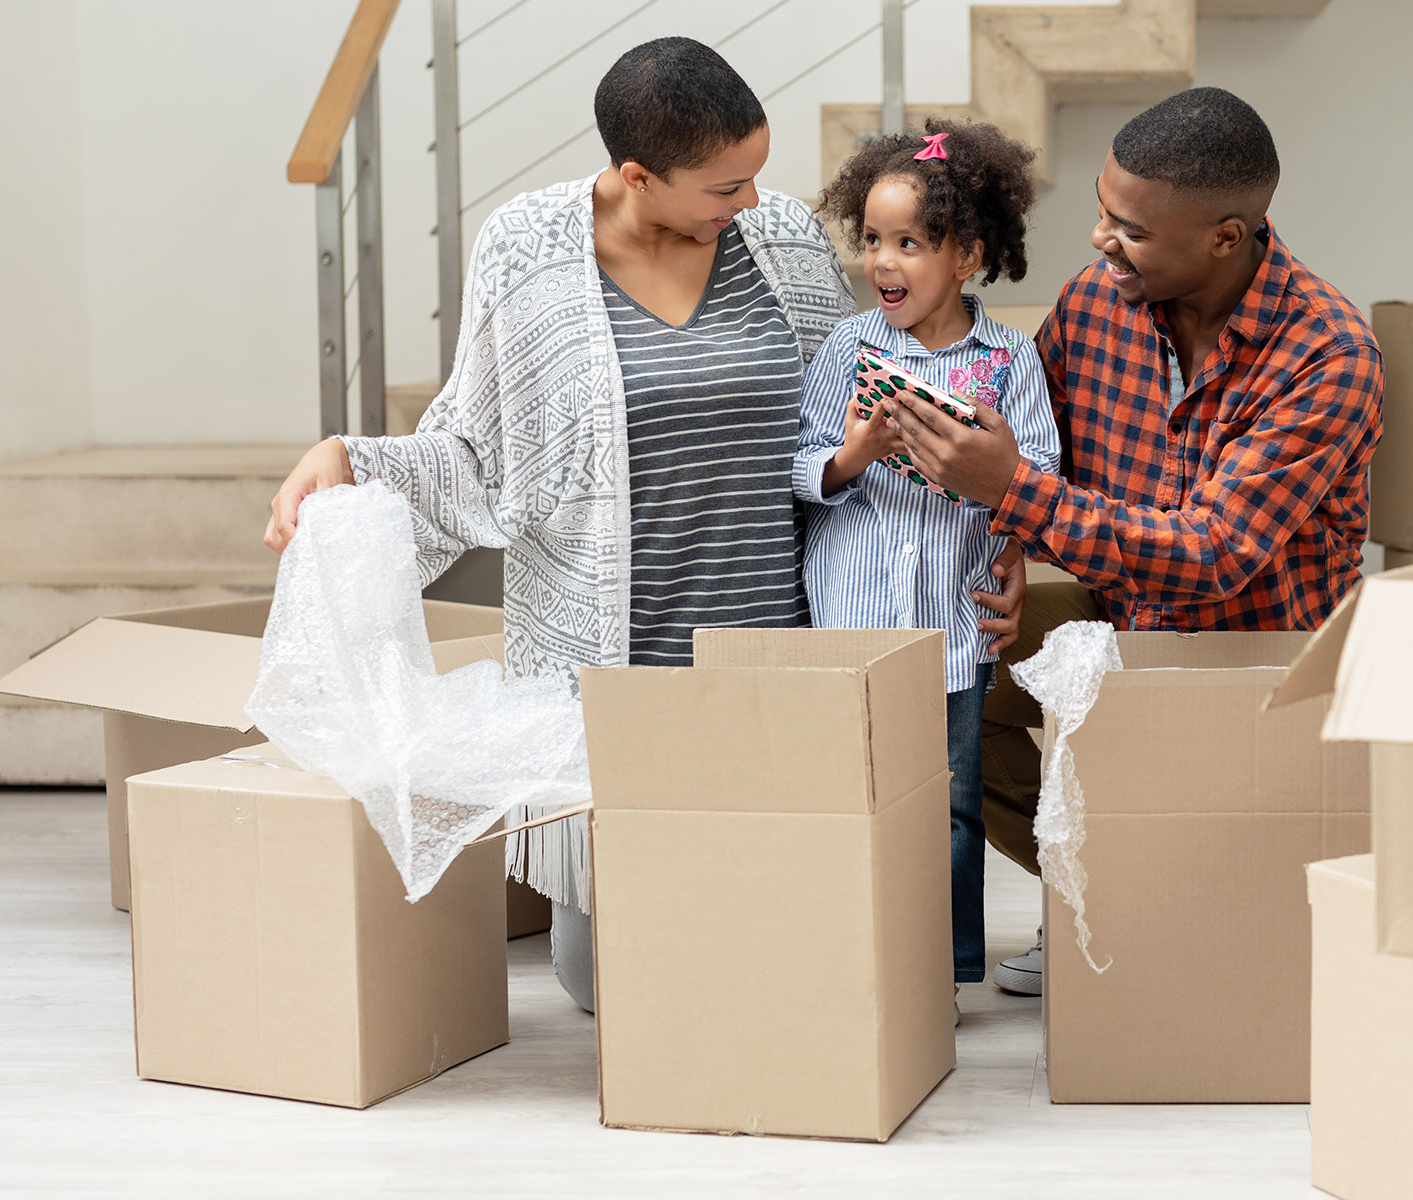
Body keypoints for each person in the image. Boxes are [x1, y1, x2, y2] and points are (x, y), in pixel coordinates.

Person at [260, 39, 1025, 1012]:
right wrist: (354, 460)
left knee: (791, 970)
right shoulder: (527, 251)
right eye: (724, 186)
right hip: (618, 685)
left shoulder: (783, 241)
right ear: (636, 176)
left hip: (782, 663)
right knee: (606, 984)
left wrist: (997, 545)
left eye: (754, 175)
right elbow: (475, 451)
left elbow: (870, 421)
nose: (751, 202)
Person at [877, 87, 1385, 995]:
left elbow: (1214, 555)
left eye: (1133, 231)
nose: (1103, 243)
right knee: (951, 667)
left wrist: (1009, 490)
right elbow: (1043, 453)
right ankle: (1108, 887)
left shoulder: (1329, 355)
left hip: (1254, 668)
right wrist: (1008, 548)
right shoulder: (1095, 304)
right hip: (1122, 620)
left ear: (1226, 237)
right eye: (1103, 214)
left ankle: (1183, 897)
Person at [796, 121, 1060, 1006]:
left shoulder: (1009, 358)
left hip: (953, 628)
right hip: (852, 625)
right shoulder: (847, 350)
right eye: (871, 239)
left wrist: (1008, 499)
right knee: (849, 798)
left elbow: (1041, 478)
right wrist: (856, 452)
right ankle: (850, 952)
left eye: (909, 241)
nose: (883, 260)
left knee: (950, 805)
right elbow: (801, 468)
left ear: (968, 254)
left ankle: (942, 971)